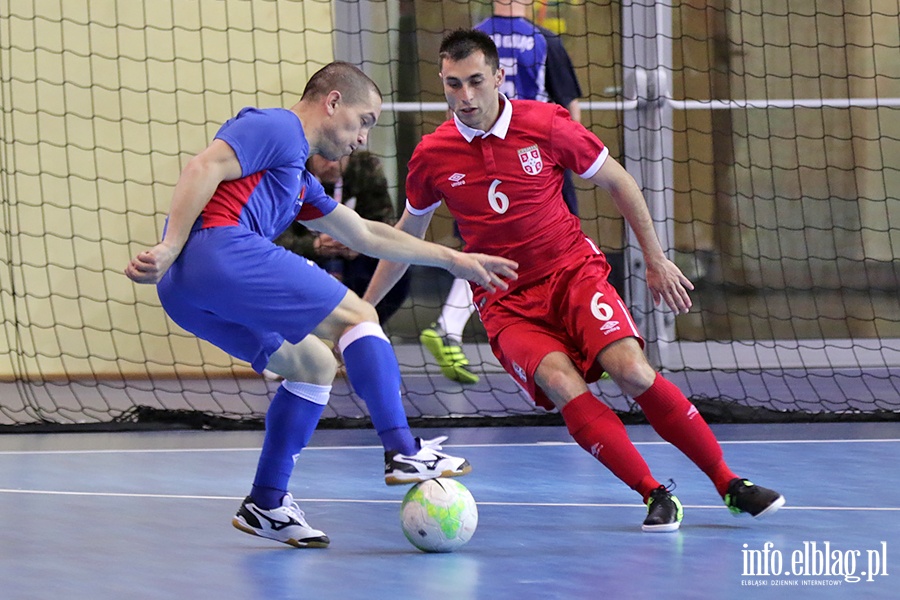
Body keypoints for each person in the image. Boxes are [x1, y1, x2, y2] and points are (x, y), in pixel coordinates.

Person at [364, 30, 784, 533]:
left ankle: (728, 483)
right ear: (443, 82)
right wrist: (362, 312)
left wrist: (654, 259)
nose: (466, 96)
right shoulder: (433, 155)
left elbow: (618, 181)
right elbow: (404, 238)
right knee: (562, 383)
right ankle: (654, 494)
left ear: (499, 77)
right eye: (454, 85)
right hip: (506, 303)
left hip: (572, 273)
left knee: (631, 371)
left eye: (476, 81)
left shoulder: (545, 124)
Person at [124, 61, 518, 548]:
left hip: (187, 294)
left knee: (312, 364)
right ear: (333, 102)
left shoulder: (296, 182)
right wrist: (168, 245)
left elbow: (367, 234)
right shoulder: (279, 128)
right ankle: (402, 449)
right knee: (359, 316)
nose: (362, 139)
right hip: (213, 250)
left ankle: (266, 502)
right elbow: (203, 167)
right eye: (364, 121)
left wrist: (453, 259)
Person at [420, 0, 584, 384]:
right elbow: (572, 114)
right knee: (562, 244)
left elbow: (458, 111)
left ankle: (449, 325)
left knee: (488, 247)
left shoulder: (473, 43)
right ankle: (588, 337)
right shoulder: (545, 41)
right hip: (534, 162)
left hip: (477, 159)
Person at [275, 151, 411, 324]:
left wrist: (359, 244)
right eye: (325, 157)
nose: (332, 164)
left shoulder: (364, 168)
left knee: (397, 264)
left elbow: (383, 224)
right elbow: (273, 238)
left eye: (339, 158)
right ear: (311, 156)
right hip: (304, 259)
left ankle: (366, 325)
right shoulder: (292, 173)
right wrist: (314, 246)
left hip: (356, 259)